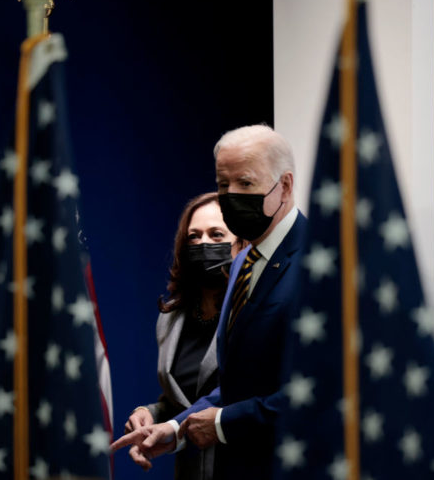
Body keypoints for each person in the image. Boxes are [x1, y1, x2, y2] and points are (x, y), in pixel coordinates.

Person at [113, 124, 307, 480]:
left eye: (245, 183)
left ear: (286, 186)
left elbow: (323, 391)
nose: (231, 196)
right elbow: (238, 385)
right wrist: (173, 429)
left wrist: (220, 423)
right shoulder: (242, 266)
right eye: (223, 184)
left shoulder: (321, 264)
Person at [124, 192, 244, 479]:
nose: (203, 244)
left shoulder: (251, 311)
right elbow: (183, 401)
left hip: (242, 466)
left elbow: (239, 394)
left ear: (241, 245)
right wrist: (151, 414)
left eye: (216, 235)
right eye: (194, 237)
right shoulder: (170, 318)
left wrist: (173, 425)